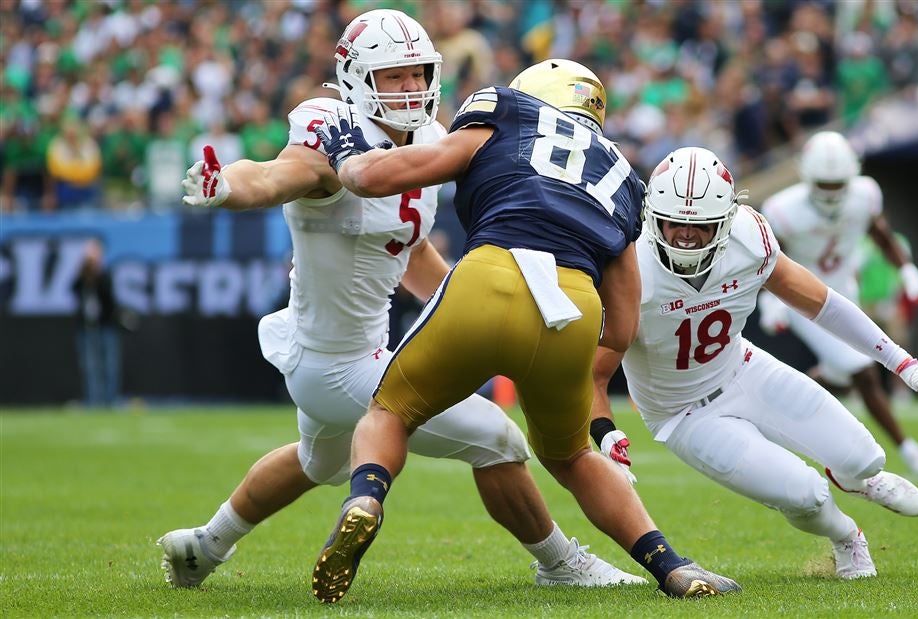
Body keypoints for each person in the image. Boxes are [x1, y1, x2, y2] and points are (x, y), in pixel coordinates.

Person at [158, 11, 642, 592]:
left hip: (341, 355)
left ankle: (203, 548)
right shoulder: (332, 132)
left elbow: (412, 254)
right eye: (393, 77)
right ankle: (561, 562)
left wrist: (472, 309)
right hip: (340, 361)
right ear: (356, 79)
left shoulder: (433, 139)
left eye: (418, 74)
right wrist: (227, 187)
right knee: (499, 440)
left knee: (320, 463)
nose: (411, 88)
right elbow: (276, 175)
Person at [311, 58, 740, 602]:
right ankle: (672, 566)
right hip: (574, 307)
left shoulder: (506, 111)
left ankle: (366, 499)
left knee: (390, 411)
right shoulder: (622, 175)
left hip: (491, 273)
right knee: (571, 457)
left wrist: (347, 157)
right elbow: (623, 326)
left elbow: (376, 178)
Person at [591, 147, 918, 580]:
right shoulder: (628, 267)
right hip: (685, 414)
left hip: (745, 369)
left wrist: (903, 364)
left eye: (700, 227)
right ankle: (848, 536)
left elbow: (823, 304)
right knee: (805, 494)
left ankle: (858, 479)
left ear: (727, 220)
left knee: (865, 457)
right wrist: (605, 436)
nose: (684, 238)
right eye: (674, 222)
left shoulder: (748, 238)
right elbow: (594, 373)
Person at [757, 131, 918, 475]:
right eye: (823, 185)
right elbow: (769, 261)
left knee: (840, 377)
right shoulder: (783, 209)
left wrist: (909, 272)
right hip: (803, 298)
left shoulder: (865, 196)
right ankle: (908, 449)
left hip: (845, 292)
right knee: (862, 370)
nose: (831, 192)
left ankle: (771, 417)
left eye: (837, 184)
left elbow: (881, 236)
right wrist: (771, 303)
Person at [72, 239, 123, 408]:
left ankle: (110, 400)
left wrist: (97, 273)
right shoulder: (81, 277)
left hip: (105, 326)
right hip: (86, 327)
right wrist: (84, 272)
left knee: (109, 366)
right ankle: (93, 401)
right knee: (90, 367)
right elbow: (73, 290)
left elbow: (108, 297)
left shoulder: (105, 276)